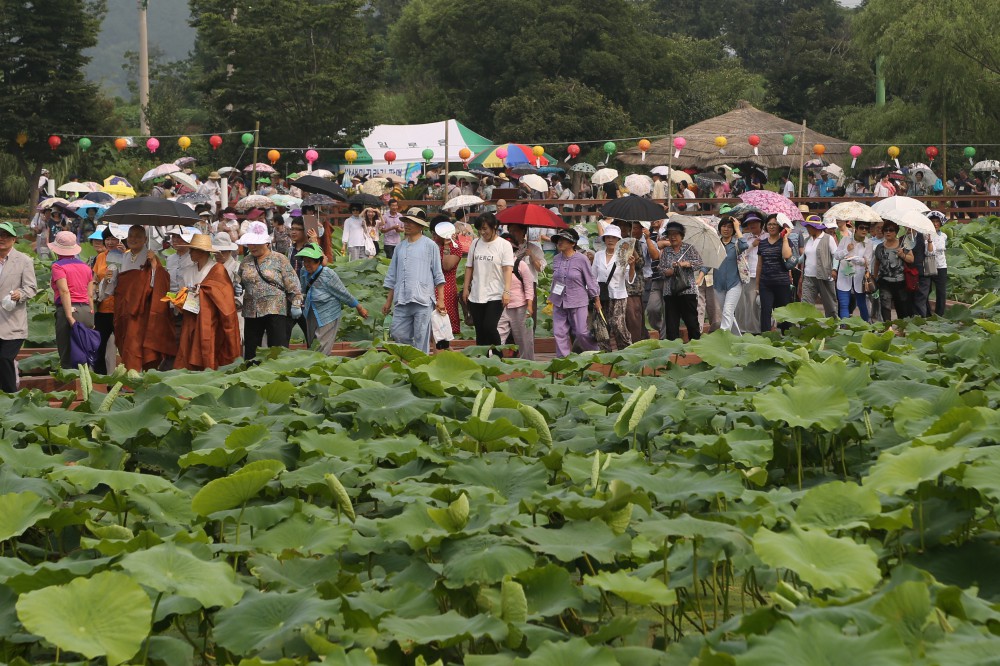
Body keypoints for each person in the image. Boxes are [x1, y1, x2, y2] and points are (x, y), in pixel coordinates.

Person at [111, 226, 177, 371]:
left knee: (136, 343)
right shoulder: (125, 256)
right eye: (131, 236)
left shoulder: (150, 256)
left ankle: (139, 376)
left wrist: (153, 265)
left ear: (145, 239)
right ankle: (129, 376)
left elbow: (158, 284)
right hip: (125, 308)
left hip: (141, 310)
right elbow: (120, 283)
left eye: (138, 236)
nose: (133, 239)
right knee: (125, 341)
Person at [173, 234, 242, 370]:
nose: (190, 253)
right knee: (188, 348)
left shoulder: (217, 269)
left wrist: (204, 291)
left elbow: (224, 296)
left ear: (202, 252)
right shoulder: (187, 271)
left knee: (208, 348)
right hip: (191, 316)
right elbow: (182, 291)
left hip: (210, 318)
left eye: (193, 250)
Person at [236, 221, 303, 361]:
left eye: (256, 243)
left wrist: (296, 304)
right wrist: (237, 287)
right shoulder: (246, 261)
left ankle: (278, 374)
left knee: (277, 348)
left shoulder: (280, 259)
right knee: (251, 349)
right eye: (249, 243)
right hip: (251, 310)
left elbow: (294, 285)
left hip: (275, 309)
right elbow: (240, 281)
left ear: (266, 243)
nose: (252, 247)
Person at [382, 211, 446, 353]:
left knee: (421, 337)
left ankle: (419, 366)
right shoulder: (399, 247)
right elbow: (393, 275)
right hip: (401, 299)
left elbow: (438, 275)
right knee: (397, 332)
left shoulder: (431, 246)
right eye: (406, 221)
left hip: (422, 299)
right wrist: (388, 301)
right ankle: (409, 359)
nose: (407, 225)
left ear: (420, 226)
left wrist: (440, 300)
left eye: (411, 222)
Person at [296, 244, 368, 354]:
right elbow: (302, 289)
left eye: (310, 261)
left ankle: (321, 367)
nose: (306, 264)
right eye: (305, 261)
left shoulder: (328, 274)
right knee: (312, 344)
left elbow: (343, 293)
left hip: (328, 313)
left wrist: (359, 307)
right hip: (310, 311)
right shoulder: (303, 271)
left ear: (318, 261)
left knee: (322, 346)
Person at [462, 213, 514, 351]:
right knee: (480, 331)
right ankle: (483, 361)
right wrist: (466, 288)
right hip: (477, 293)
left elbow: (508, 269)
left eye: (485, 228)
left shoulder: (504, 245)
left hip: (495, 294)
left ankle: (498, 356)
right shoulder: (475, 243)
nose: (482, 232)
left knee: (489, 326)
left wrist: (507, 291)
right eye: (480, 229)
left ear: (494, 226)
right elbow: (469, 267)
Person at [48, 231, 95, 369]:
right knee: (85, 353)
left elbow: (64, 291)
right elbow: (90, 294)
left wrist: (69, 315)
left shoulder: (58, 266)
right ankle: (88, 387)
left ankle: (72, 388)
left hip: (69, 310)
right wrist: (92, 314)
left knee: (67, 355)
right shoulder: (86, 267)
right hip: (86, 310)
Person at [549, 228, 599, 357]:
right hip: (559, 301)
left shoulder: (582, 259)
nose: (560, 242)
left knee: (581, 332)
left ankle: (595, 353)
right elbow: (555, 281)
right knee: (559, 332)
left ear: (572, 243)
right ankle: (563, 361)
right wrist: (552, 299)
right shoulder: (556, 259)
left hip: (578, 301)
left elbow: (590, 279)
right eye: (559, 240)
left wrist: (596, 299)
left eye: (564, 240)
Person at [0, 222, 38, 391]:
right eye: (0, 234)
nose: (2, 238)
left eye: (6, 235)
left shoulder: (24, 260)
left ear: (14, 239)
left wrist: (19, 294)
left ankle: (11, 397)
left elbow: (31, 288)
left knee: (5, 358)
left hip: (12, 322)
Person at [591, 224, 634, 351]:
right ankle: (605, 354)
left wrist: (632, 266)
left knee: (618, 325)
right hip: (600, 295)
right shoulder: (598, 255)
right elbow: (593, 277)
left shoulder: (623, 255)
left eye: (613, 238)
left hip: (618, 295)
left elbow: (629, 279)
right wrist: (595, 297)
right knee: (601, 327)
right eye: (608, 237)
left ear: (618, 240)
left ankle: (626, 351)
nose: (610, 240)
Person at [497, 225, 537, 360]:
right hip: (501, 306)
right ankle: (493, 362)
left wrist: (529, 307)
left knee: (524, 340)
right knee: (497, 337)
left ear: (514, 249)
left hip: (520, 307)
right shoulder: (496, 265)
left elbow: (529, 287)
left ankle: (529, 365)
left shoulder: (521, 265)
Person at [659, 220, 703, 340]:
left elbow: (699, 263)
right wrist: (670, 271)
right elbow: (661, 270)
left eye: (675, 234)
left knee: (691, 321)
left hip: (687, 291)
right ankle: (673, 351)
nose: (672, 237)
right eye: (670, 234)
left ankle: (695, 348)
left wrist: (684, 264)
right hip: (670, 291)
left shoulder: (689, 248)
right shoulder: (666, 251)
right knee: (671, 323)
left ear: (681, 236)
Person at [91, 226, 126, 374]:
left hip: (122, 307)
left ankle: (127, 379)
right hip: (103, 307)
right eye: (108, 239)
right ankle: (101, 378)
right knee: (100, 344)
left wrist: (126, 255)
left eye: (114, 239)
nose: (110, 242)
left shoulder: (128, 256)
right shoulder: (100, 257)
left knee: (124, 345)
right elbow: (94, 278)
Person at [756, 214, 793, 333]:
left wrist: (786, 238)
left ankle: (785, 336)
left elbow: (787, 256)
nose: (772, 227)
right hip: (765, 283)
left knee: (783, 312)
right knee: (765, 311)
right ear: (766, 226)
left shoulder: (785, 241)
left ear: (780, 227)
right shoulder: (762, 243)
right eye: (769, 224)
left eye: (775, 224)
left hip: (782, 282)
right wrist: (757, 286)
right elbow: (759, 265)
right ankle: (765, 336)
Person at [872, 220, 911, 319]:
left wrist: (902, 254)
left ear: (896, 232)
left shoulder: (903, 245)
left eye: (891, 230)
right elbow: (877, 263)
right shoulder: (879, 247)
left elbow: (911, 259)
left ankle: (901, 330)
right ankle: (888, 329)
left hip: (900, 282)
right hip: (884, 281)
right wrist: (875, 278)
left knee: (901, 307)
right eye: (885, 230)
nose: (888, 232)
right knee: (885, 306)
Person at [799, 217, 839, 317]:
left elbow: (836, 255)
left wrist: (834, 269)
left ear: (815, 227)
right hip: (808, 276)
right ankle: (806, 328)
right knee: (806, 304)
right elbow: (804, 257)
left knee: (830, 305)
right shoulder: (807, 240)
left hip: (825, 276)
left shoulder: (828, 238)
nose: (807, 229)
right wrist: (792, 260)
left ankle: (833, 326)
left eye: (808, 227)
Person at [834, 220, 873, 321]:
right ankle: (844, 328)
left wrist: (854, 258)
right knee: (843, 304)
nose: (864, 230)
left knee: (861, 304)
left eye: (867, 228)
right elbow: (836, 256)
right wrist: (846, 250)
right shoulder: (845, 239)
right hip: (844, 275)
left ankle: (866, 327)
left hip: (859, 277)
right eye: (861, 227)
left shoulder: (869, 243)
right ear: (856, 228)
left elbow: (867, 261)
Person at [714, 215, 747, 334]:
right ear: (719, 228)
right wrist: (700, 277)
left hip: (735, 283)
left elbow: (745, 246)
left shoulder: (737, 243)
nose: (726, 229)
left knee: (728, 311)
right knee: (727, 313)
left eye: (729, 227)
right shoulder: (716, 245)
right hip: (718, 284)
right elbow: (708, 263)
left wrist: (738, 229)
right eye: (723, 226)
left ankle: (723, 337)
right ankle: (738, 339)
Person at [734, 213, 763, 334]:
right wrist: (752, 245)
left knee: (760, 303)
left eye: (755, 222)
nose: (752, 225)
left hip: (764, 274)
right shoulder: (744, 237)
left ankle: (761, 327)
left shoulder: (767, 235)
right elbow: (740, 253)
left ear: (761, 223)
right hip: (748, 274)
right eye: (749, 223)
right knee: (748, 303)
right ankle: (748, 329)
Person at [624, 222, 648, 342]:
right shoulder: (613, 243)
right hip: (616, 287)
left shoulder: (635, 243)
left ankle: (637, 344)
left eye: (625, 226)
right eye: (620, 226)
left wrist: (632, 249)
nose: (623, 229)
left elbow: (641, 264)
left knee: (634, 318)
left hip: (633, 288)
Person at [927, 211, 948, 316]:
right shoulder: (925, 235)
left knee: (941, 292)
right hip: (929, 264)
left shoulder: (944, 236)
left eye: (937, 221)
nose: (935, 223)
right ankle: (927, 313)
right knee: (927, 289)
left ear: (941, 223)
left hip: (941, 266)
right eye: (933, 221)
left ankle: (939, 314)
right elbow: (929, 251)